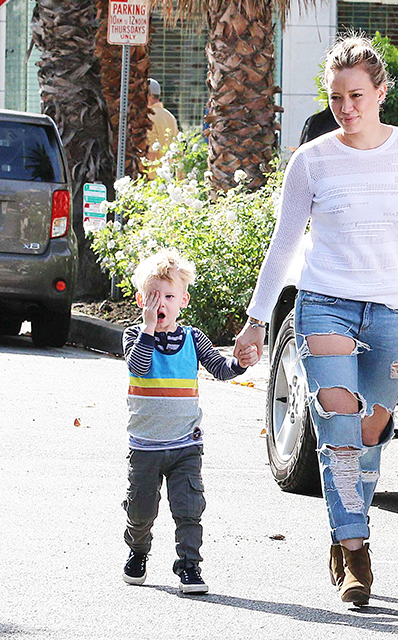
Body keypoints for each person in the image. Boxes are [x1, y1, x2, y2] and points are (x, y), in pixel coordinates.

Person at [233, 36, 398, 606]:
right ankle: (356, 549)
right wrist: (257, 320)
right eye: (335, 98)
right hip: (325, 301)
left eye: (357, 95)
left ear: (381, 92)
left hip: (393, 310)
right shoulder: (312, 160)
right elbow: (284, 246)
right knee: (337, 427)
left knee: (372, 431)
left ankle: (342, 524)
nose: (346, 107)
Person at [121, 248, 259, 594]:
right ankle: (138, 552)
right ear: (141, 300)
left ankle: (189, 567)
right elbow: (137, 366)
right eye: (154, 297)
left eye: (169, 296)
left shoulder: (192, 339)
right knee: (141, 511)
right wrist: (149, 329)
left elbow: (221, 369)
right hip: (146, 445)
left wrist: (241, 363)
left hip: (185, 444)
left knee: (188, 509)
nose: (161, 303)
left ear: (183, 300)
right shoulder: (134, 336)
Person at [145, 78, 179, 168]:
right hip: (168, 174)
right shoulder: (170, 116)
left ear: (147, 95)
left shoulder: (148, 117)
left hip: (151, 176)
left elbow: (151, 153)